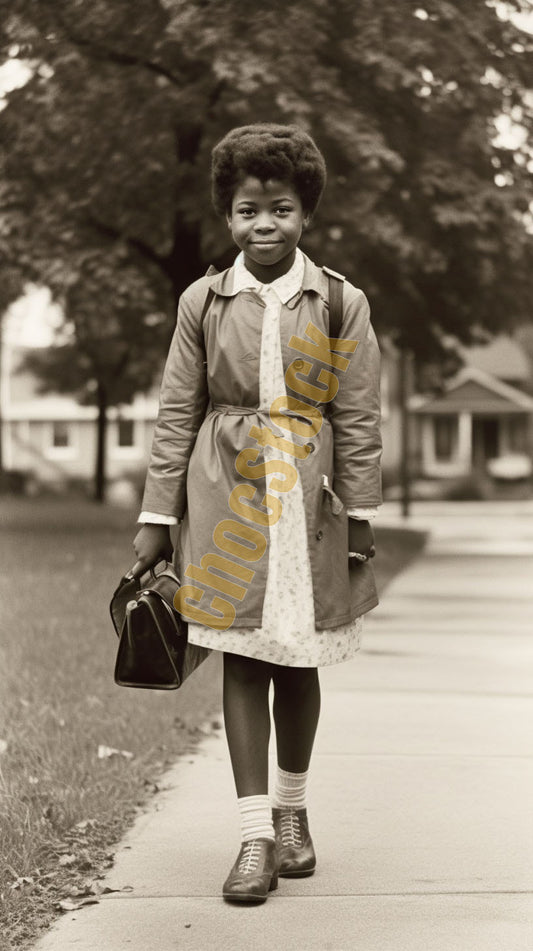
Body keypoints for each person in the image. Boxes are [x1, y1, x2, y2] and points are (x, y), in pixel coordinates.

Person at [132, 123, 382, 904]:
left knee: (297, 659)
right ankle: (251, 838)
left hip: (308, 501)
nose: (262, 224)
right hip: (226, 498)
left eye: (278, 209)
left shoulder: (339, 301)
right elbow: (177, 412)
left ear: (304, 213)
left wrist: (362, 518)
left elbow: (359, 416)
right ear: (227, 216)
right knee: (241, 657)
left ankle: (292, 815)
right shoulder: (203, 301)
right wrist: (154, 515)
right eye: (246, 210)